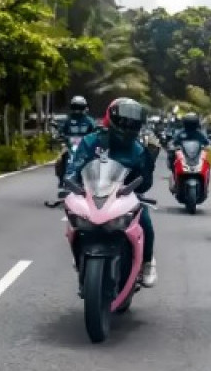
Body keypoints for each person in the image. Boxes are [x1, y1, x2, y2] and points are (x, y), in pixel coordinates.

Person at [65, 98, 160, 287]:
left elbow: (145, 185)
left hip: (124, 196)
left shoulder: (139, 150)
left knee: (145, 221)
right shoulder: (92, 141)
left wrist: (150, 159)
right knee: (74, 220)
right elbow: (75, 168)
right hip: (94, 193)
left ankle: (147, 262)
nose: (128, 127)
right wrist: (73, 185)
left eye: (133, 124)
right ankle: (78, 255)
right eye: (124, 122)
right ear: (113, 119)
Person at [53, 95, 98, 189]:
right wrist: (59, 136)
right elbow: (61, 131)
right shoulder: (67, 121)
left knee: (96, 160)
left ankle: (94, 182)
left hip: (86, 147)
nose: (77, 110)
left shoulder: (89, 121)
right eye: (75, 107)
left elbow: (96, 132)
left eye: (80, 107)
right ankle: (62, 180)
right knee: (60, 160)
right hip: (70, 146)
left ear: (85, 108)